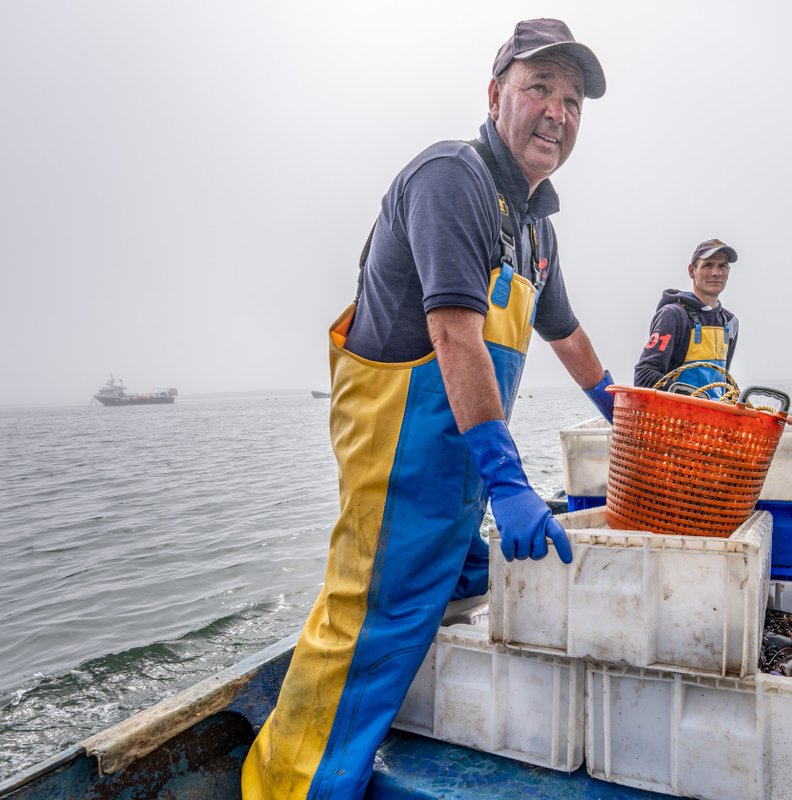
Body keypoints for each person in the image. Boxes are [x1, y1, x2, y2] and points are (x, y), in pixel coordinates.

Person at [242, 19, 614, 799]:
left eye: (574, 100)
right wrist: (509, 481)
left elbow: (566, 333)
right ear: (495, 94)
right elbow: (454, 335)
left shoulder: (537, 229)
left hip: (461, 466)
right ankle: (286, 786)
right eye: (539, 88)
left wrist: (625, 411)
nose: (558, 111)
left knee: (467, 586)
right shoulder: (453, 178)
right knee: (364, 625)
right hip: (401, 454)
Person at [634, 239, 740, 399]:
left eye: (722, 266)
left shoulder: (730, 322)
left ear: (728, 271)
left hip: (711, 413)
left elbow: (724, 382)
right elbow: (643, 376)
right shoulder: (673, 315)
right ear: (691, 271)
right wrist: (694, 397)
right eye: (708, 265)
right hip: (674, 413)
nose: (716, 272)